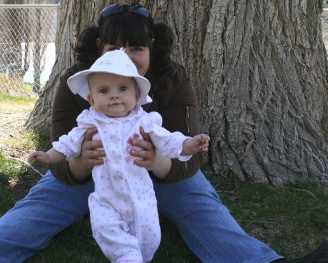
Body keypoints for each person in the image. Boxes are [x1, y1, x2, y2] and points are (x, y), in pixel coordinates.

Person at [0, 3, 328, 263]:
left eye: (137, 47)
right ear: (99, 49)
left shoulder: (174, 81)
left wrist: (162, 162)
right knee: (41, 205)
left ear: (152, 49)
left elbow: (190, 156)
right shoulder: (76, 83)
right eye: (116, 47)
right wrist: (77, 166)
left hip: (159, 172)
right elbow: (59, 149)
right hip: (96, 176)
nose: (127, 57)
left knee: (202, 207)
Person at [28, 49, 210, 263]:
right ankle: (126, 257)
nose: (114, 95)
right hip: (106, 199)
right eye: (104, 90)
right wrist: (49, 156)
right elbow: (67, 143)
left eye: (122, 89)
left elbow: (168, 141)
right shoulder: (89, 123)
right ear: (91, 99)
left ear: (136, 95)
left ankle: (138, 256)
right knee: (107, 229)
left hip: (142, 199)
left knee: (149, 239)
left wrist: (188, 145)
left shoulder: (145, 122)